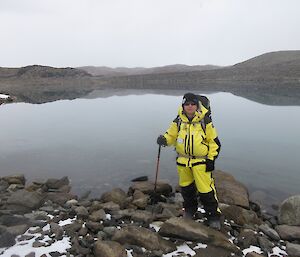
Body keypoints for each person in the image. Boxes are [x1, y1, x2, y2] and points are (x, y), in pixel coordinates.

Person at [157, 92, 222, 230]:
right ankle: (190, 210)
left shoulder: (205, 121)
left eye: (193, 104)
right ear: (183, 106)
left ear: (197, 105)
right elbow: (171, 136)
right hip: (183, 162)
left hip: (200, 163)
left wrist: (211, 160)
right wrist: (164, 140)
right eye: (187, 104)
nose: (190, 106)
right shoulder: (178, 121)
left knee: (206, 190)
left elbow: (214, 143)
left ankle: (213, 216)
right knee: (186, 189)